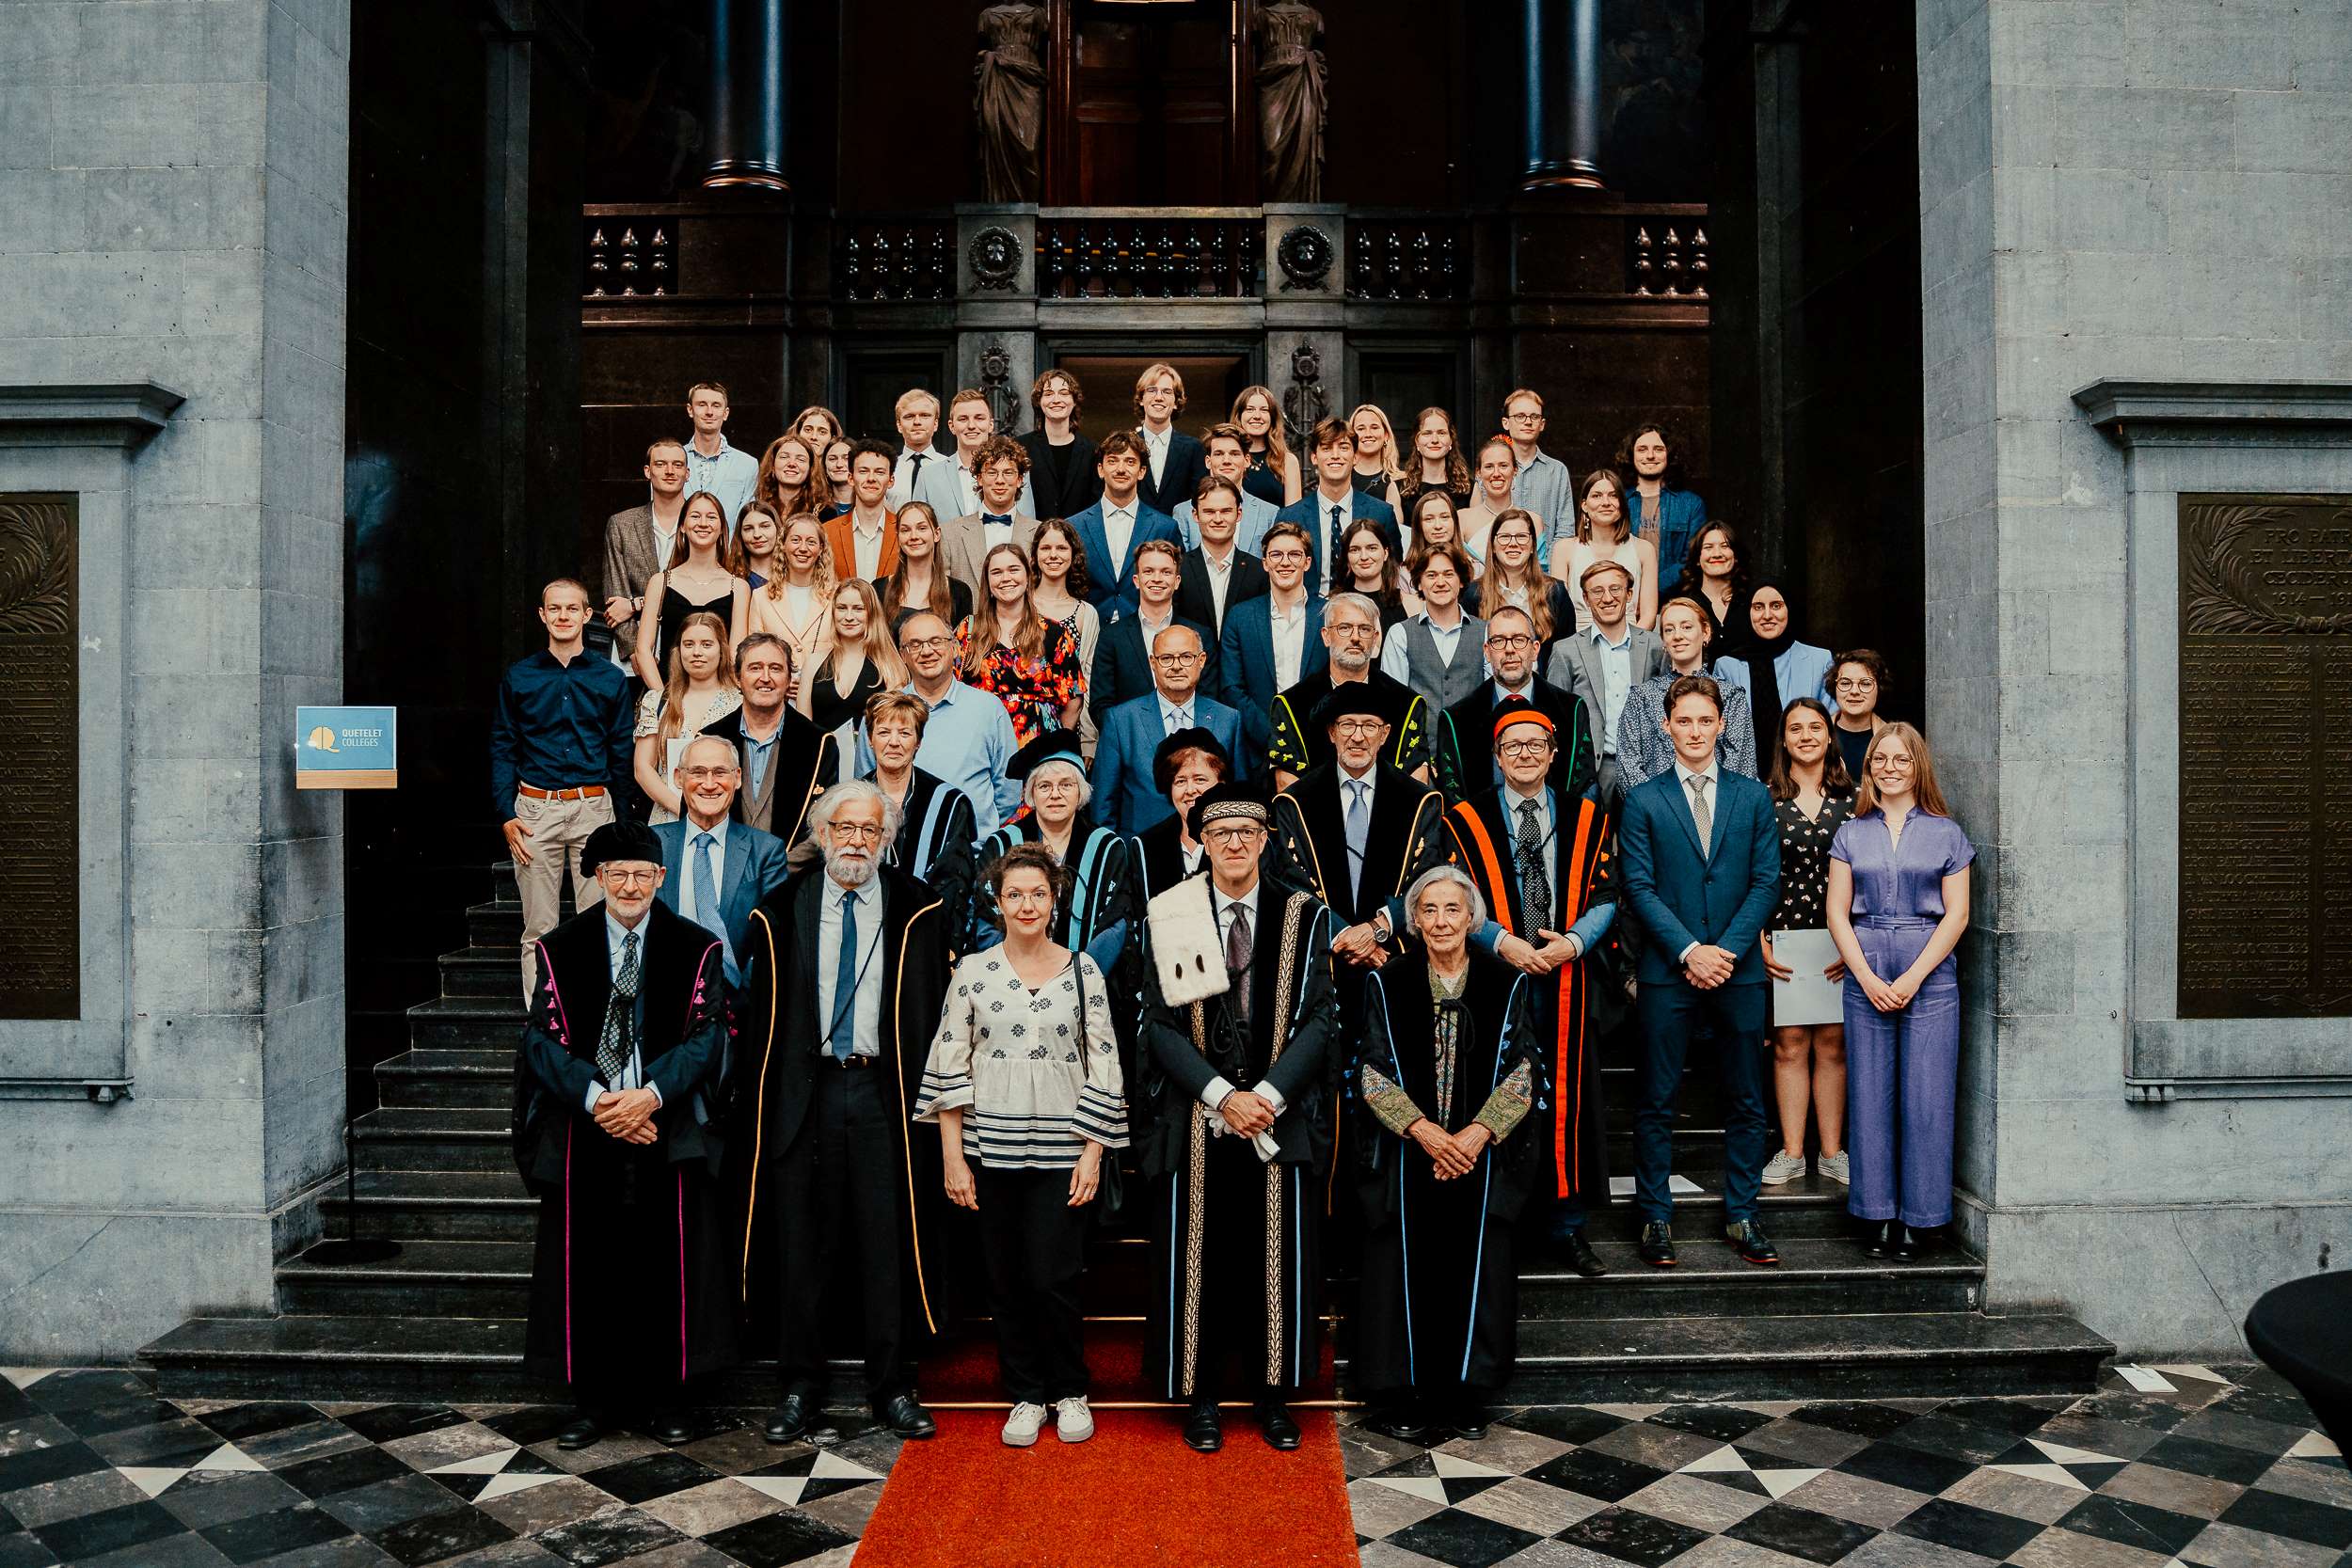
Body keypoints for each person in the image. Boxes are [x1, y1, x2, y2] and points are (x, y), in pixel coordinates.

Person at [734, 783, 951, 1445]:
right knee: (804, 1243)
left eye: (869, 829)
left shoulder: (918, 907)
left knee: (886, 1241)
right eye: (845, 828)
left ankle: (892, 1387)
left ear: (886, 839)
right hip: (809, 1093)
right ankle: (801, 1385)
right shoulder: (782, 909)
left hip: (887, 1093)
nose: (856, 840)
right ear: (822, 834)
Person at [516, 820, 735, 1449]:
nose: (631, 885)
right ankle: (595, 1401)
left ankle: (670, 1399)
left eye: (642, 873)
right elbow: (541, 1041)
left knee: (666, 1265)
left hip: (665, 1124)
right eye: (618, 874)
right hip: (588, 1127)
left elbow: (708, 1037)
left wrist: (650, 1095)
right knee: (593, 1267)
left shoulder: (695, 947)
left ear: (661, 877)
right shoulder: (561, 948)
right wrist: (598, 1099)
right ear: (598, 877)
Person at [1137, 783, 1336, 1451]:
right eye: (1220, 833)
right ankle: (1201, 1397)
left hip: (1278, 1114)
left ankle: (1272, 1395)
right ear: (1202, 840)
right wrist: (1223, 1095)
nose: (1233, 843)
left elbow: (1320, 1019)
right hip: (1198, 1117)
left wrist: (1268, 1097)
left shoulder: (1303, 914)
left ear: (1265, 839)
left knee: (1274, 1260)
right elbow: (1160, 1026)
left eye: (1246, 832)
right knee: (1201, 1262)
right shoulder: (1174, 911)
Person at [916, 844, 1125, 1448]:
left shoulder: (1083, 971)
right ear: (998, 902)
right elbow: (950, 1060)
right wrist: (953, 1158)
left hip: (1063, 1151)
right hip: (990, 1151)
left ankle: (1070, 1389)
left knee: (1054, 1277)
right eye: (1015, 894)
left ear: (1055, 900)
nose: (1027, 904)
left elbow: (1105, 1063)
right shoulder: (972, 972)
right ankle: (1027, 1395)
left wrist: (1093, 1153)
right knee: (1004, 1278)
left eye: (1038, 893)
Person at [1351, 864, 1544, 1443]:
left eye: (1452, 909)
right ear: (1413, 919)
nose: (1440, 921)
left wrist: (1476, 1135)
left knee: (1477, 1270)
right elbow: (1370, 1070)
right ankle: (1406, 1394)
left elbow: (1524, 1070)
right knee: (1402, 1272)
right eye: (1428, 910)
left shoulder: (1505, 981)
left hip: (1480, 1159)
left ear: (1472, 918)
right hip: (1407, 1156)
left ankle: (1465, 1395)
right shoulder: (1388, 982)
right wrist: (1425, 1133)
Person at [1433, 701, 1620, 1279]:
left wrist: (1573, 943)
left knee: (1564, 1097)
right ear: (1496, 755)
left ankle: (1566, 1225)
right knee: (1494, 1089)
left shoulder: (1586, 816)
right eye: (1512, 745)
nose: (1524, 754)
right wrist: (1502, 942)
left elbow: (1607, 894)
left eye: (1536, 744)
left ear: (1554, 753)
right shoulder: (1465, 819)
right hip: (1495, 976)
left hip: (1567, 979)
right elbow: (1453, 896)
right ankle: (1500, 1221)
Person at [1617, 675, 1783, 1269]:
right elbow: (1638, 887)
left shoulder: (1752, 797)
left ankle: (1743, 1214)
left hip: (1738, 971)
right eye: (1683, 721)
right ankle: (1655, 1217)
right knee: (1657, 1098)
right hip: (1669, 970)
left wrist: (1725, 952)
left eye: (1704, 720)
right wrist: (1690, 951)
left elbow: (1766, 882)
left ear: (1721, 726)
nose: (1694, 731)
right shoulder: (1644, 800)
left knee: (1747, 1097)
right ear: (1666, 727)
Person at [1826, 722, 1973, 1260]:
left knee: (1927, 1097)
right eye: (1879, 759)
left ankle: (1921, 1217)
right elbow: (1837, 912)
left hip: (1929, 972)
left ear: (1918, 767)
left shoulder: (1947, 833)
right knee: (1870, 1092)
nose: (1889, 768)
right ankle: (1876, 1211)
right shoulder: (1851, 832)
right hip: (1866, 966)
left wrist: (1913, 977)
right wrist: (1865, 976)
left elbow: (1957, 915)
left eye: (1901, 759)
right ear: (1868, 768)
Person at [493, 579, 633, 1001]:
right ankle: (545, 1023)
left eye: (572, 608)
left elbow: (620, 751)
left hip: (594, 809)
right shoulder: (520, 677)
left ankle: (593, 1020)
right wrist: (506, 813)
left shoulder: (610, 678)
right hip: (535, 812)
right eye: (554, 608)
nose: (563, 616)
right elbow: (503, 746)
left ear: (587, 615)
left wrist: (622, 821)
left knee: (599, 923)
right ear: (542, 615)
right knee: (539, 928)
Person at [1271, 682, 1448, 964]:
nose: (1357, 736)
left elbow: (1428, 876)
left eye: (1369, 726)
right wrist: (1346, 936)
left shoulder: (1418, 801)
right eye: (1347, 725)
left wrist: (1377, 928)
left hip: (1395, 956)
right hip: (1322, 956)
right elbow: (1290, 880)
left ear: (1385, 734)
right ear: (1332, 733)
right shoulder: (1296, 802)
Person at [1761, 698, 1855, 1189]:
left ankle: (1833, 1152)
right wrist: (1758, 940)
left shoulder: (1856, 799)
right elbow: (1752, 872)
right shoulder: (1763, 799)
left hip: (1842, 938)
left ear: (1829, 735)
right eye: (1795, 728)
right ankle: (1794, 1151)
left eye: (1815, 727)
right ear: (1783, 739)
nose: (1805, 736)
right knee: (1789, 1044)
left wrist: (1856, 945)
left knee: (1834, 1044)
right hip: (1784, 935)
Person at [969, 733, 1136, 979]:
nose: (1055, 794)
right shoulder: (1002, 845)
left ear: (1080, 792)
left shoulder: (1107, 848)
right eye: (1044, 786)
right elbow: (986, 919)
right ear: (1031, 793)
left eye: (1066, 785)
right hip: (1012, 982)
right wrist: (1020, 976)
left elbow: (1115, 925)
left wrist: (1077, 977)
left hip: (1086, 982)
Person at [652, 735, 792, 991]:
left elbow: (774, 934)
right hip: (665, 993)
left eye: (719, 772)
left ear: (737, 778)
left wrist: (742, 998)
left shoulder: (766, 851)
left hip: (738, 998)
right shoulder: (653, 844)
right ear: (678, 778)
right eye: (697, 772)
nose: (709, 784)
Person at [1093, 625, 1248, 837]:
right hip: (1140, 850)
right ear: (1152, 663)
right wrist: (1115, 854)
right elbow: (1103, 805)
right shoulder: (1121, 720)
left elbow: (1239, 798)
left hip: (1209, 849)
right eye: (1166, 658)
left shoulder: (1228, 719)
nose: (1176, 666)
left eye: (1186, 657)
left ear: (1201, 660)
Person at [1432, 605, 1593, 801]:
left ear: (1535, 650)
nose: (1509, 649)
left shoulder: (1571, 710)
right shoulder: (1457, 720)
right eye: (1498, 641)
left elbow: (1585, 787)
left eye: (1519, 640)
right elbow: (1452, 799)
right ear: (1487, 652)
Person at [1267, 592, 1428, 787]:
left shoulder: (1405, 704)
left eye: (1364, 629)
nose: (1355, 637)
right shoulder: (1292, 705)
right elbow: (1286, 783)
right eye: (1344, 628)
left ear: (1375, 638)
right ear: (1326, 636)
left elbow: (1417, 780)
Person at [862, 690, 980, 947]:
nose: (894, 742)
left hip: (928, 935)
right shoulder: (852, 801)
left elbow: (953, 883)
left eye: (905, 733)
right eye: (884, 732)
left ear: (918, 742)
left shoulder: (949, 803)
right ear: (870, 739)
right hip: (864, 932)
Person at [1547, 561, 1668, 808]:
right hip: (1591, 771)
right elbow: (1554, 716)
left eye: (1615, 589)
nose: (1607, 598)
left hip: (1645, 768)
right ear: (1585, 599)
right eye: (1597, 591)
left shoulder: (1655, 646)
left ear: (1629, 594)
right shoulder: (1566, 651)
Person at [891, 610, 1022, 834]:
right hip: (903, 848)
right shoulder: (886, 712)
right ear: (903, 655)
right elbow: (868, 783)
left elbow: (1008, 790)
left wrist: (975, 832)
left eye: (936, 641)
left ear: (954, 647)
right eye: (915, 644)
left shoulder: (988, 709)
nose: (927, 651)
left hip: (972, 849)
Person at [701, 632, 837, 843]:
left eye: (775, 668)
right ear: (737, 678)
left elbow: (822, 828)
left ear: (789, 679)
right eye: (755, 668)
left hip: (791, 863)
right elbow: (694, 818)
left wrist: (780, 863)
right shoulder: (708, 740)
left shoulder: (819, 743)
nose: (765, 677)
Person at [1616, 596, 1756, 788]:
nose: (1677, 636)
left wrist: (1710, 801)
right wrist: (1653, 803)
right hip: (1656, 804)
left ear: (1706, 633)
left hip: (1718, 804)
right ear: (1663, 640)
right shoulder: (1642, 698)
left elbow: (1742, 766)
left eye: (1687, 627)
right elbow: (1627, 766)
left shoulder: (1730, 697)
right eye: (1669, 629)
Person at [959, 541, 1088, 745]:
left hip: (1040, 747)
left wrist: (1054, 745)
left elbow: (1073, 702)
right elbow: (951, 688)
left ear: (1028, 577)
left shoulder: (1054, 633)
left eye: (1013, 570)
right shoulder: (969, 629)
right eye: (997, 572)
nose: (1006, 578)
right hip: (981, 743)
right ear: (988, 582)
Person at [1217, 522, 1324, 762]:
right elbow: (1232, 688)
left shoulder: (1328, 615)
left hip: (1318, 746)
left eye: (1294, 554)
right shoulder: (1241, 617)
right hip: (1258, 751)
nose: (1285, 562)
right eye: (1276, 555)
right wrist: (1272, 735)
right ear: (1265, 563)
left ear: (1307, 562)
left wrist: (1308, 733)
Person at [1089, 539, 1219, 722]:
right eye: (1148, 571)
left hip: (1190, 737)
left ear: (1177, 581)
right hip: (1131, 738)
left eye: (1166, 572)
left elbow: (1209, 700)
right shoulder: (1111, 637)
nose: (1157, 578)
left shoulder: (1200, 635)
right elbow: (1101, 706)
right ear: (1136, 580)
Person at [633, 490, 749, 694]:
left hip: (719, 696)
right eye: (695, 516)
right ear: (682, 526)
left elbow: (735, 654)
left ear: (722, 528)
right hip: (669, 692)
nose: (703, 523)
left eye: (711, 517)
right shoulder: (660, 582)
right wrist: (662, 699)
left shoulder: (738, 587)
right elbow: (643, 650)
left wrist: (721, 702)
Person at [633, 611, 741, 825]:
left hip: (725, 819)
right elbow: (642, 769)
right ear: (679, 650)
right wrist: (683, 810)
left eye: (707, 644)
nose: (697, 652)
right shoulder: (658, 701)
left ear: (722, 650)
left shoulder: (740, 703)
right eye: (689, 644)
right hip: (668, 817)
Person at [1068, 430, 1181, 621]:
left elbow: (1177, 589)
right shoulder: (1074, 526)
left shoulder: (1165, 527)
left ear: (1142, 471)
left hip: (1146, 627)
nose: (1121, 469)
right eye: (1112, 461)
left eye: (1130, 462)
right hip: (1089, 626)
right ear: (1100, 470)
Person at [1280, 416, 1400, 594]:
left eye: (1343, 448)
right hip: (1308, 607)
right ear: (1314, 457)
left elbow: (1393, 569)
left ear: (1355, 457)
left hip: (1365, 606)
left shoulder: (1381, 513)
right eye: (1326, 448)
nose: (1335, 456)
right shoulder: (1290, 516)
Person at [1731, 577, 1835, 768]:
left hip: (1807, 772)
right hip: (1748, 776)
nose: (1767, 615)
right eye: (1758, 607)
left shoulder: (1819, 660)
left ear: (1789, 609)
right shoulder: (1728, 666)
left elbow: (1831, 723)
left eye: (1776, 606)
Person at [603, 438, 689, 663]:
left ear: (687, 473)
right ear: (647, 471)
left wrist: (636, 604)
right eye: (660, 464)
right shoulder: (622, 524)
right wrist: (634, 651)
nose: (669, 471)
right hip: (631, 652)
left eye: (677, 465)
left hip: (688, 646)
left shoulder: (701, 523)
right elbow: (616, 599)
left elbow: (700, 589)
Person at [1381, 542, 1487, 715]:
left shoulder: (1486, 632)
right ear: (1419, 583)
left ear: (1461, 581)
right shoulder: (1400, 634)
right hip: (1420, 732)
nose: (1440, 582)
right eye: (1431, 575)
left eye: (1448, 574)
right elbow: (1394, 700)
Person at [1029, 517, 1104, 753]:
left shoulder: (1085, 613)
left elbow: (1088, 679)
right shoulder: (1021, 606)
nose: (1053, 555)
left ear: (1073, 555)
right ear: (1035, 555)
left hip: (1071, 728)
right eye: (1046, 548)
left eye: (1061, 548)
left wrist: (1089, 740)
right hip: (1025, 722)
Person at [1556, 467, 1660, 632]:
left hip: (1630, 637)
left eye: (1613, 495)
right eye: (1597, 496)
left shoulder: (1644, 550)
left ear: (1622, 504)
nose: (1605, 502)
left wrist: (1629, 644)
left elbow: (1649, 616)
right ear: (1584, 505)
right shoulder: (1564, 549)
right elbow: (1559, 613)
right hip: (1578, 638)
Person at [803, 578, 907, 740]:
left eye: (858, 609)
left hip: (869, 756)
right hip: (820, 755)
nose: (849, 617)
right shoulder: (813, 662)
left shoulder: (889, 666)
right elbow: (802, 728)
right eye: (842, 608)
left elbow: (896, 729)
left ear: (871, 613)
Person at [1130, 728, 1229, 895]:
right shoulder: (1147, 846)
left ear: (1221, 783)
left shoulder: (1245, 839)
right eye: (1180, 781)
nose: (1190, 790)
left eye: (1200, 779)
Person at [942, 434, 1039, 597]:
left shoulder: (1038, 533)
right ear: (980, 478)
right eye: (992, 472)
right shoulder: (950, 533)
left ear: (1020, 480)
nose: (1000, 480)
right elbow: (942, 595)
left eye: (1008, 472)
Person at [748, 512, 838, 687]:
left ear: (821, 549)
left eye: (811, 542)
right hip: (776, 693)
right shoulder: (760, 597)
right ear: (783, 545)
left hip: (823, 693)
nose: (803, 548)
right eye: (795, 540)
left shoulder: (837, 597)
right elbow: (754, 654)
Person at [1480, 508, 1578, 666]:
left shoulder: (1555, 593)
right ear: (1493, 546)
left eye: (1521, 537)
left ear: (1533, 546)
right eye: (1504, 537)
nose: (1513, 543)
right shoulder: (1475, 594)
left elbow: (1569, 654)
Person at [1175, 474, 1269, 639]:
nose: (1218, 519)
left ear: (1239, 514)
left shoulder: (1260, 571)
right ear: (1195, 515)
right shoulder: (1179, 570)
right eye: (1209, 512)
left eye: (1226, 511)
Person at [1618, 420, 1707, 591]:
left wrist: (1650, 589)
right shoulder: (1618, 502)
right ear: (1631, 455)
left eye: (1658, 449)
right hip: (1624, 596)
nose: (1650, 456)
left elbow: (1691, 559)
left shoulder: (1691, 504)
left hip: (1674, 598)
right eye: (1642, 449)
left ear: (1669, 455)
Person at [1174, 423, 1279, 555]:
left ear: (1247, 460)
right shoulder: (1183, 512)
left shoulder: (1270, 514)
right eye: (1219, 454)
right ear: (1208, 462)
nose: (1226, 461)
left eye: (1234, 454)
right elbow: (1181, 563)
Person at [880, 499, 975, 633]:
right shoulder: (879, 589)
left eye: (922, 528)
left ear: (937, 534)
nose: (913, 536)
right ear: (898, 538)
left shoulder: (960, 592)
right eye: (905, 530)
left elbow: (965, 644)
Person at [1020, 367, 1102, 519]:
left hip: (1079, 533)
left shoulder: (1093, 451)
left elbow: (1096, 503)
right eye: (1048, 394)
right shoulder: (1021, 447)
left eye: (1064, 393)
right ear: (1039, 402)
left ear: (1074, 401)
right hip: (1033, 532)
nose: (1056, 400)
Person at [943, 388, 1036, 520]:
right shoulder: (928, 476)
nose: (971, 425)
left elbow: (1026, 525)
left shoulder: (1016, 472)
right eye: (963, 419)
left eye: (979, 418)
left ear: (991, 424)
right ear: (952, 426)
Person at [1502, 388, 1571, 568]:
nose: (1528, 422)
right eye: (1520, 416)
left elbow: (1565, 529)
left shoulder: (1557, 471)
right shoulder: (1493, 469)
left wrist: (1547, 566)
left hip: (1545, 570)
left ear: (1542, 424)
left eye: (1534, 416)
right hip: (1500, 569)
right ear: (1506, 423)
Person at [1134, 362, 1208, 516]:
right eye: (1152, 390)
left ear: (1176, 402)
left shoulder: (1194, 448)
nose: (1158, 397)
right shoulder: (1127, 447)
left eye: (1167, 392)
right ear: (1141, 399)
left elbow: (1200, 500)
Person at [682, 381, 759, 526]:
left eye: (716, 405)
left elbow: (746, 518)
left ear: (725, 413)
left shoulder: (747, 464)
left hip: (729, 540)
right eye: (702, 404)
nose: (709, 411)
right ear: (690, 410)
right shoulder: (673, 461)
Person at [828, 439, 899, 582]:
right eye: (863, 471)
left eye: (879, 472)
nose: (871, 478)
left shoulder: (904, 531)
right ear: (850, 478)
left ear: (891, 480)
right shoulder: (827, 532)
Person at [889, 388, 961, 520]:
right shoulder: (888, 469)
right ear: (899, 425)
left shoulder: (952, 467)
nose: (917, 422)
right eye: (909, 416)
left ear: (936, 424)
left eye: (924, 415)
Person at [1680, 521, 1753, 649]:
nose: (1717, 554)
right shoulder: (1686, 605)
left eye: (1725, 546)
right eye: (1708, 547)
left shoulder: (1752, 600)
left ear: (1736, 556)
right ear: (1697, 558)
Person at [1404, 490, 1480, 611]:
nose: (1438, 526)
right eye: (1429, 519)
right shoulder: (1404, 573)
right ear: (1419, 525)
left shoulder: (1475, 568)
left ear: (1454, 522)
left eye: (1444, 517)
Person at [1395, 406, 1476, 519]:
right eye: (1427, 433)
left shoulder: (1470, 489)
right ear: (1417, 441)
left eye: (1441, 433)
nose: (1434, 440)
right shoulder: (1398, 489)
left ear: (1451, 440)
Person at [1232, 384, 1302, 506]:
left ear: (1272, 417)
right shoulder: (1226, 459)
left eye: (1264, 410)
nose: (1257, 416)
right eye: (1250, 409)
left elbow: (1293, 513)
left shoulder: (1287, 461)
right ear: (1239, 415)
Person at [1828, 647, 1892, 781]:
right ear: (1834, 688)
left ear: (1879, 688)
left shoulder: (1893, 738)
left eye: (1865, 684)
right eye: (1845, 683)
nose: (1854, 691)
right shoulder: (1818, 736)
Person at [1341, 517, 1407, 628]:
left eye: (1372, 548)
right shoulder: (1335, 604)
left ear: (1385, 553)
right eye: (1355, 550)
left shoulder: (1411, 604)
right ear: (1347, 558)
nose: (1364, 557)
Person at [1346, 403, 1405, 512]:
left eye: (1374, 427)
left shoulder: (1401, 482)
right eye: (1361, 429)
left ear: (1386, 435)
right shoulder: (1342, 480)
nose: (1368, 434)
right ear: (1351, 437)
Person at [754, 433, 818, 529]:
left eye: (800, 459)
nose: (792, 464)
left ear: (810, 469)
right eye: (784, 457)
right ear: (772, 465)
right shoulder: (756, 506)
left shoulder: (822, 511)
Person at [730, 499, 780, 591]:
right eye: (748, 529)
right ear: (740, 535)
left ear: (778, 529)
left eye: (765, 526)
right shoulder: (731, 579)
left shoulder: (794, 574)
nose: (757, 535)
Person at [818, 437, 856, 518]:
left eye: (846, 458)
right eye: (832, 459)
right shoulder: (815, 508)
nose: (839, 465)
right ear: (824, 466)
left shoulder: (872, 506)